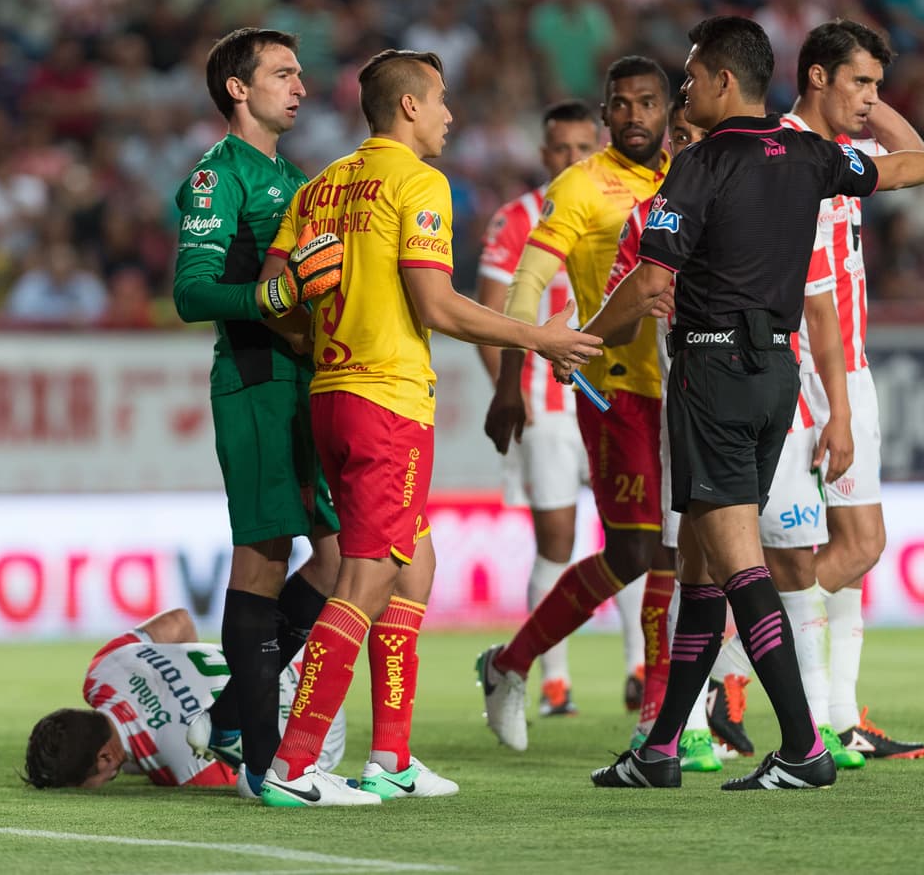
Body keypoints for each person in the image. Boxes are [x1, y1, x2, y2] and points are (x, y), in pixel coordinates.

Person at [577, 15, 924, 790]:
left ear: (719, 81)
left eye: (689, 77)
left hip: (711, 370)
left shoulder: (702, 164)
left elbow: (650, 283)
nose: (684, 90)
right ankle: (661, 747)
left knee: (737, 564)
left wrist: (584, 338)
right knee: (707, 567)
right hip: (777, 376)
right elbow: (891, 175)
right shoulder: (807, 155)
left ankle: (805, 744)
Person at [256, 49, 602, 808]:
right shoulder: (419, 184)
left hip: (332, 392)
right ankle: (295, 760)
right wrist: (537, 337)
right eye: (441, 100)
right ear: (408, 106)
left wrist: (309, 327)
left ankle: (392, 756)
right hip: (386, 398)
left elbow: (272, 293)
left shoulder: (318, 188)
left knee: (415, 566)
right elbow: (437, 306)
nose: (450, 114)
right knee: (369, 574)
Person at [708, 20, 924, 764]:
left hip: (851, 365)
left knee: (858, 543)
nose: (872, 100)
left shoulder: (846, 153)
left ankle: (823, 706)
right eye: (860, 83)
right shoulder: (782, 155)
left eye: (876, 85)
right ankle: (754, 679)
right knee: (806, 553)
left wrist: (874, 98)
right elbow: (808, 292)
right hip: (798, 368)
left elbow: (918, 161)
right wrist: (834, 401)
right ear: (814, 77)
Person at [478, 56, 675, 754]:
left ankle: (670, 712)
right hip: (619, 389)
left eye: (646, 103)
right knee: (639, 550)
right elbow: (526, 282)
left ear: (666, 107)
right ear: (606, 115)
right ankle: (510, 664)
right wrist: (511, 378)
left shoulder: (688, 172)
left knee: (679, 550)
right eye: (620, 105)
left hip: (689, 386)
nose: (633, 117)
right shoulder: (583, 186)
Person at [170, 28, 340, 798]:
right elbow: (191, 289)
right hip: (254, 379)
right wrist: (270, 294)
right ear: (238, 89)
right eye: (281, 73)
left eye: (301, 73)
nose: (299, 86)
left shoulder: (297, 177)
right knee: (265, 559)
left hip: (308, 380)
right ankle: (262, 763)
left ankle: (233, 711)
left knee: (340, 562)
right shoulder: (218, 175)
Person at [602, 92, 726, 772]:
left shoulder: (755, 194)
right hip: (692, 401)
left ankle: (791, 720)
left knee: (753, 564)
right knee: (691, 565)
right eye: (678, 134)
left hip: (764, 394)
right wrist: (586, 338)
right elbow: (631, 294)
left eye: (694, 131)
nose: (682, 145)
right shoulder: (649, 216)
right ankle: (690, 718)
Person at [22, 608, 345, 790]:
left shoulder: (183, 769)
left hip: (318, 719)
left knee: (269, 782)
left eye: (90, 782)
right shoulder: (102, 671)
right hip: (294, 654)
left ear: (106, 758)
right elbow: (179, 621)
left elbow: (254, 775)